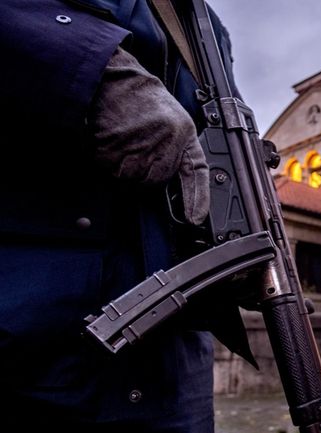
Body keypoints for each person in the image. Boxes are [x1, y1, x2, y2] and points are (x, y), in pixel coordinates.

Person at [0, 0, 242, 431]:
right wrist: (90, 68)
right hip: (33, 340)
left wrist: (241, 230)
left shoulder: (204, 25)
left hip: (173, 368)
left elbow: (214, 150)